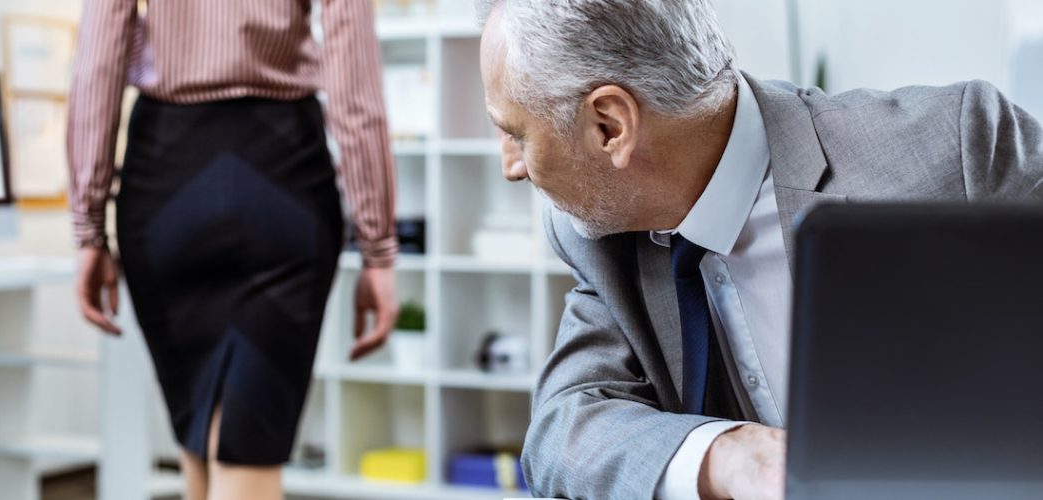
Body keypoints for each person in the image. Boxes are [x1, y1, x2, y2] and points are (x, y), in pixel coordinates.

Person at [475, 1, 1043, 499]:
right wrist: (729, 456)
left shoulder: (956, 148)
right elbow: (565, 425)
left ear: (609, 125)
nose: (512, 167)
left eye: (516, 133)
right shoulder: (598, 238)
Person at [67, 1, 400, 499]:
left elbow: (97, 64)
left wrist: (88, 226)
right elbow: (354, 85)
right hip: (282, 173)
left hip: (166, 177)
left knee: (200, 445)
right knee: (246, 450)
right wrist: (378, 246)